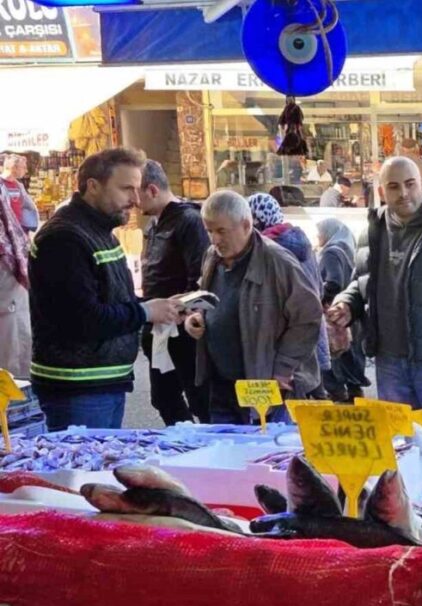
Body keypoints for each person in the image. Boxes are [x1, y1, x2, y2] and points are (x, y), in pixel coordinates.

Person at [29, 148, 183, 430]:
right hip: (78, 387)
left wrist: (157, 307)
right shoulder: (65, 238)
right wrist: (144, 311)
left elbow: (110, 299)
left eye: (137, 190)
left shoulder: (97, 231)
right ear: (93, 186)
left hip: (100, 382)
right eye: (126, 189)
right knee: (84, 472)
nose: (136, 201)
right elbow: (82, 319)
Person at [327, 157, 422, 429]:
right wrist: (346, 304)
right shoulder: (372, 232)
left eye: (410, 184)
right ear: (381, 193)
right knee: (402, 448)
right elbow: (363, 283)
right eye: (394, 186)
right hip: (389, 364)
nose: (403, 193)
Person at [185, 190, 322, 424]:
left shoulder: (278, 262)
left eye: (221, 231)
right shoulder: (212, 255)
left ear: (246, 225)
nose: (214, 239)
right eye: (209, 231)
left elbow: (308, 317)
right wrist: (196, 316)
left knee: (265, 455)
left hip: (264, 385)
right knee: (226, 456)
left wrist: (283, 368)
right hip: (221, 384)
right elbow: (206, 297)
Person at [137, 160, 211, 424]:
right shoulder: (153, 225)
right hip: (158, 328)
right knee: (163, 396)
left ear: (153, 190)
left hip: (183, 328)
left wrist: (185, 307)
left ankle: (204, 448)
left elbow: (200, 275)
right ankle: (182, 440)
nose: (132, 201)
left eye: (135, 192)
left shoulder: (189, 221)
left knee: (199, 396)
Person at [248, 192, 330, 396]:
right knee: (314, 384)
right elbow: (318, 286)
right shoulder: (301, 240)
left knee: (297, 389)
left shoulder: (269, 249)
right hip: (312, 323)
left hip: (294, 327)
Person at [316, 217, 367, 402]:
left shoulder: (330, 253)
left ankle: (339, 393)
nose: (318, 236)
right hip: (349, 310)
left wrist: (320, 295)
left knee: (335, 354)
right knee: (348, 353)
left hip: (336, 311)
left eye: (320, 232)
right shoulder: (345, 248)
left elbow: (334, 282)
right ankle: (354, 393)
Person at [0, 155, 33, 378]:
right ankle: (16, 384)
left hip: (9, 259)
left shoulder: (15, 186)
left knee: (15, 318)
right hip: (7, 263)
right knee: (12, 320)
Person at [1, 154, 39, 232]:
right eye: (24, 167)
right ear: (14, 168)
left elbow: (25, 206)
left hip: (18, 230)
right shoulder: (1, 184)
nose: (26, 171)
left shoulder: (18, 186)